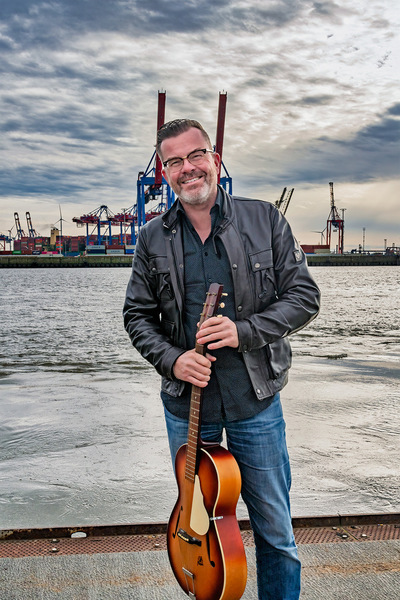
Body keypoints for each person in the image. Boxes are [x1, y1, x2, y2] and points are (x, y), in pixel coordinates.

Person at [123, 118, 320, 600]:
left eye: (196, 155)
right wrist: (173, 360)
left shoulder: (264, 218)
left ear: (214, 159)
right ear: (164, 173)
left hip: (255, 402)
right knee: (201, 529)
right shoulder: (151, 237)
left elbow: (304, 297)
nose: (187, 168)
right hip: (187, 408)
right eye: (174, 161)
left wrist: (243, 332)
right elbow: (137, 315)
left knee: (276, 532)